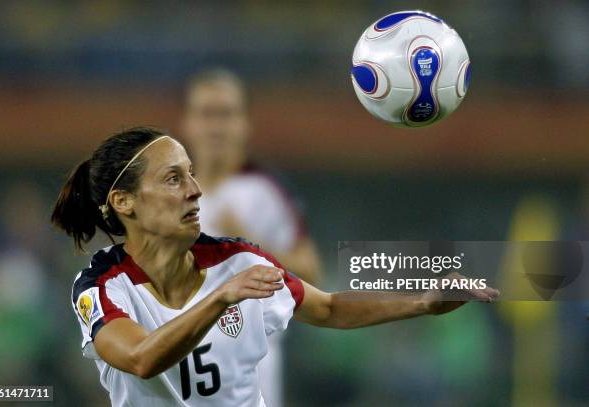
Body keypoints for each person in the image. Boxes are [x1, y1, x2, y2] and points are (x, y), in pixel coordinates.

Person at [51, 127, 499, 407]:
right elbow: (140, 358)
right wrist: (219, 299)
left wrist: (422, 303)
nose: (195, 190)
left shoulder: (238, 260)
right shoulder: (102, 286)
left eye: (191, 174)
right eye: (173, 178)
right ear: (123, 201)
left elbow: (327, 309)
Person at [180, 68, 321, 407]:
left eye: (226, 114)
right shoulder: (166, 193)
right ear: (187, 123)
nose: (216, 127)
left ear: (244, 124)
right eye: (206, 114)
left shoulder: (264, 191)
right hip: (180, 357)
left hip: (251, 361)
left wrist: (248, 246)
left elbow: (312, 272)